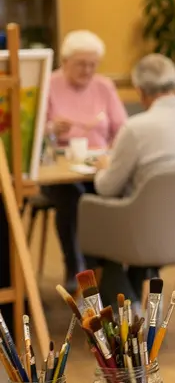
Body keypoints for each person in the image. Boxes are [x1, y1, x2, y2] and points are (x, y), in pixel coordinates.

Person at [90, 53, 175, 306]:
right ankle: (137, 310)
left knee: (95, 224)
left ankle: (127, 313)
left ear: (140, 91)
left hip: (151, 236)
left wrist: (105, 166)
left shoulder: (136, 128)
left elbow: (106, 188)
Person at [44, 30, 128, 290]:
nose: (88, 70)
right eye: (81, 64)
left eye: (93, 64)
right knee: (73, 197)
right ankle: (75, 264)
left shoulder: (104, 86)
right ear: (65, 61)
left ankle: (106, 268)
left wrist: (113, 149)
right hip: (56, 171)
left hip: (96, 165)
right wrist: (50, 129)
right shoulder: (48, 83)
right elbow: (33, 131)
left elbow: (123, 129)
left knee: (111, 190)